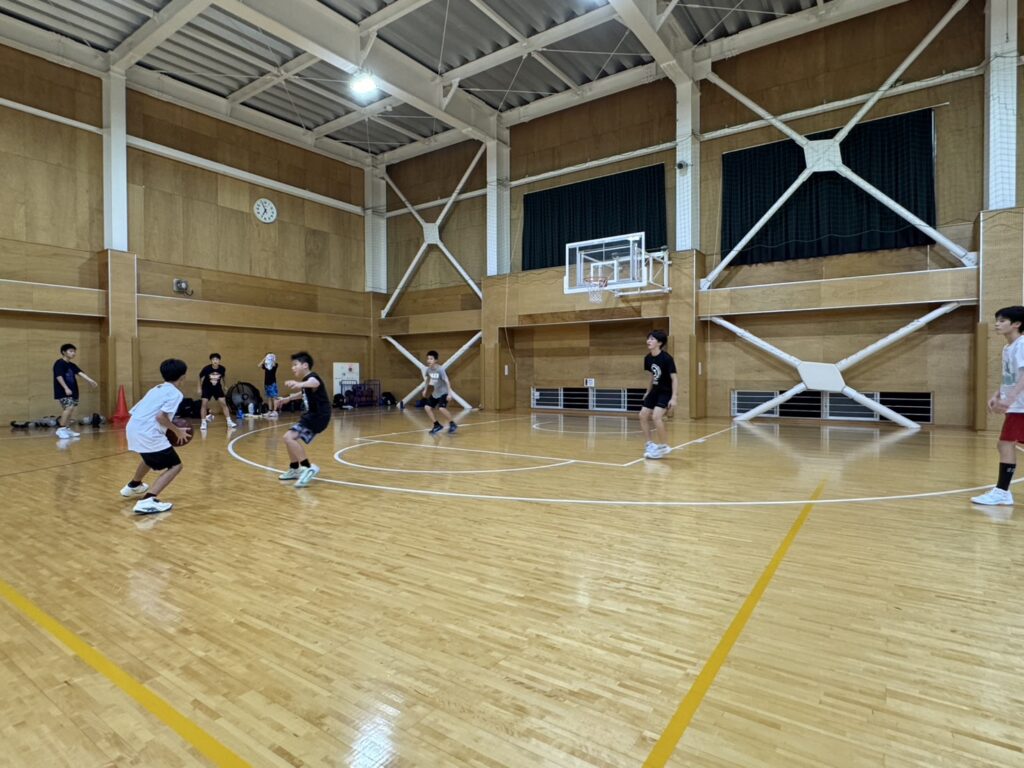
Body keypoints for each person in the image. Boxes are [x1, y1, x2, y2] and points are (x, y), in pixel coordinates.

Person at [119, 359, 190, 515]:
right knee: (176, 466)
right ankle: (147, 501)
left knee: (149, 457)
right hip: (148, 433)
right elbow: (160, 417)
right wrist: (177, 431)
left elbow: (138, 410)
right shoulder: (175, 393)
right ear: (183, 376)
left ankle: (134, 485)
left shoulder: (156, 389)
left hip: (133, 427)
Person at [972, 306, 1024, 506]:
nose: (997, 324)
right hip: (1016, 405)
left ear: (1016, 324)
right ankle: (1002, 492)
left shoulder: (1022, 344)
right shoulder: (1007, 348)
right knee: (1006, 444)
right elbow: (1010, 377)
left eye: (1002, 321)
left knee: (1004, 444)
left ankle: (1002, 492)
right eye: (997, 320)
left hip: (1020, 406)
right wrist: (997, 395)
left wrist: (1009, 399)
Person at [275, 352, 331, 488]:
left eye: (295, 365)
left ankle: (308, 468)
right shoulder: (306, 383)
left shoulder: (312, 377)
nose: (292, 368)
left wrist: (299, 383)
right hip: (313, 416)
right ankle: (295, 468)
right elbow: (303, 392)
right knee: (288, 438)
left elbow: (314, 383)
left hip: (318, 416)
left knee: (289, 437)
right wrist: (288, 398)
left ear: (305, 365)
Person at [639, 330, 677, 459]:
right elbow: (652, 376)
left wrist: (674, 397)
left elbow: (674, 379)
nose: (648, 341)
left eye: (652, 339)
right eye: (648, 338)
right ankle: (650, 444)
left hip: (666, 392)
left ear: (659, 343)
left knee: (656, 416)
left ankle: (664, 446)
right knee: (642, 415)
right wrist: (647, 392)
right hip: (654, 391)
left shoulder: (667, 358)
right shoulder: (648, 358)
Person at [53, 343, 98, 440]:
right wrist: (65, 388)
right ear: (64, 352)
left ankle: (67, 429)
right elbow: (58, 376)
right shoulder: (59, 363)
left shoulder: (72, 365)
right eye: (71, 351)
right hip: (63, 391)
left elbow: (80, 373)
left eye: (74, 351)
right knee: (68, 408)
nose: (73, 353)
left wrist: (90, 380)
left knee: (70, 409)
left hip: (73, 391)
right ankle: (61, 429)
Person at [198, 353, 235, 430]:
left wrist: (225, 385)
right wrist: (199, 388)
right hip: (207, 388)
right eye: (213, 359)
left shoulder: (222, 368)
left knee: (223, 403)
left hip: (217, 388)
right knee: (204, 404)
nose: (215, 361)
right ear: (211, 361)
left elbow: (224, 377)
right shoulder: (206, 369)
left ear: (219, 360)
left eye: (217, 359)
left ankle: (229, 421)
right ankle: (203, 423)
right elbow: (200, 377)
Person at [423, 350, 456, 434]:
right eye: (428, 359)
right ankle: (436, 425)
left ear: (436, 360)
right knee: (427, 407)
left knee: (441, 408)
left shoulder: (440, 369)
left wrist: (449, 394)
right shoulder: (428, 370)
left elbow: (447, 380)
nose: (429, 360)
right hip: (436, 393)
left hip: (444, 392)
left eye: (431, 359)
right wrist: (425, 389)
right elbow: (427, 379)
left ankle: (452, 423)